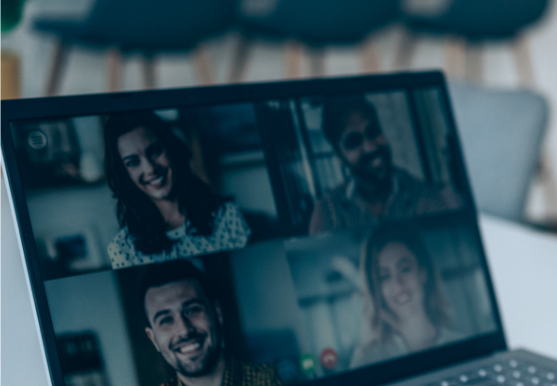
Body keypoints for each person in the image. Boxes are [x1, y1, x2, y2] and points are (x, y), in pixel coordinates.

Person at [105, 112, 250, 269]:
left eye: (155, 151)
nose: (150, 169)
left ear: (171, 149)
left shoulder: (227, 217)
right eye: (133, 162)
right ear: (123, 175)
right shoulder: (122, 249)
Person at [309, 96, 461, 234]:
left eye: (373, 131)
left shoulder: (429, 197)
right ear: (339, 156)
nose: (371, 147)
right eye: (353, 141)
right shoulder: (327, 213)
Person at [138, 260, 282, 386]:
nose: (184, 330)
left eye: (192, 310)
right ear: (153, 338)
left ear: (217, 314)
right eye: (166, 320)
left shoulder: (273, 380)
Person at [350, 222, 457, 368]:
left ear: (423, 273)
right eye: (385, 276)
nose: (398, 285)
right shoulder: (367, 359)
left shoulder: (459, 342)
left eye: (405, 269)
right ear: (377, 289)